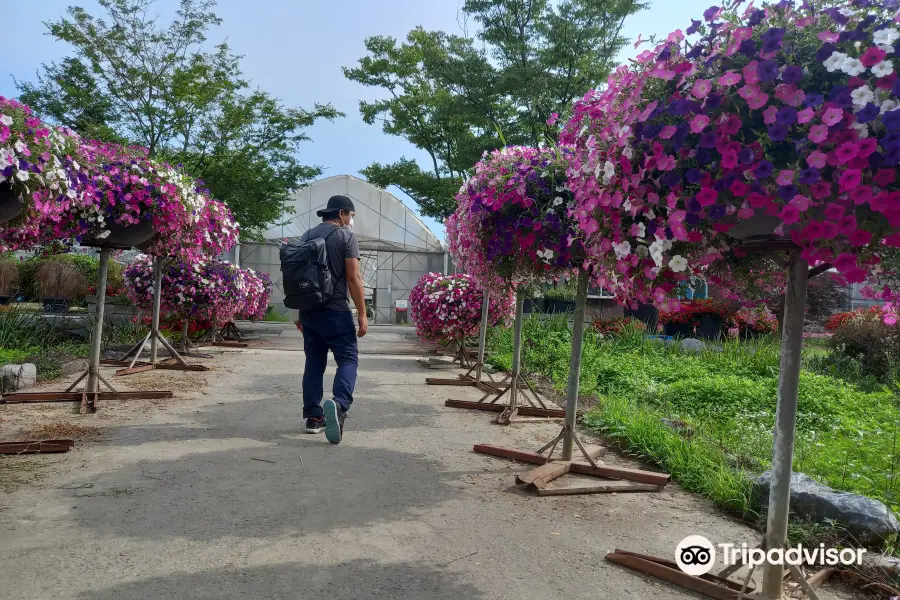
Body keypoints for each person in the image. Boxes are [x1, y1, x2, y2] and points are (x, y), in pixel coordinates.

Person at [294, 194, 368, 444]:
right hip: (336, 310)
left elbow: (298, 278)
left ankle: (314, 418)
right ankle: (340, 404)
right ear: (342, 214)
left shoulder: (306, 236)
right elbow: (354, 278)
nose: (351, 221)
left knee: (314, 363)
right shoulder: (346, 236)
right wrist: (363, 314)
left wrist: (300, 312)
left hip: (309, 312)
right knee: (348, 358)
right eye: (351, 216)